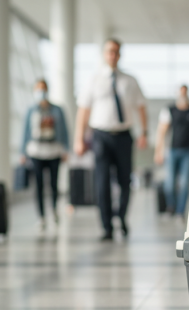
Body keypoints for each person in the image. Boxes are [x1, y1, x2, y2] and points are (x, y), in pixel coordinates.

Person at [74, 38, 148, 241]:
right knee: (102, 181)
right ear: (104, 54)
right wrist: (78, 138)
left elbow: (141, 107)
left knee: (126, 180)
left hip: (124, 135)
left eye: (115, 51)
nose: (112, 55)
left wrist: (144, 133)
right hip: (100, 136)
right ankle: (106, 226)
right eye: (109, 51)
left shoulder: (130, 81)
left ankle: (122, 218)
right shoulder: (94, 79)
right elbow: (83, 110)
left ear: (120, 54)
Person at [20, 79, 69, 230]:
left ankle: (54, 210)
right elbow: (25, 132)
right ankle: (41, 216)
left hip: (54, 150)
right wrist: (22, 152)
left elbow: (65, 131)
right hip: (36, 152)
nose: (41, 92)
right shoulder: (31, 110)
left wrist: (66, 149)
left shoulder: (57, 110)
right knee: (39, 185)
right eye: (38, 89)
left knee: (54, 184)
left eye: (43, 89)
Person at [154, 85, 189, 217]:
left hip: (188, 152)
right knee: (169, 184)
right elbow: (162, 132)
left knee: (184, 183)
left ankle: (180, 212)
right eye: (181, 92)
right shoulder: (170, 110)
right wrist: (158, 151)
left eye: (185, 92)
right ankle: (171, 207)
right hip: (172, 151)